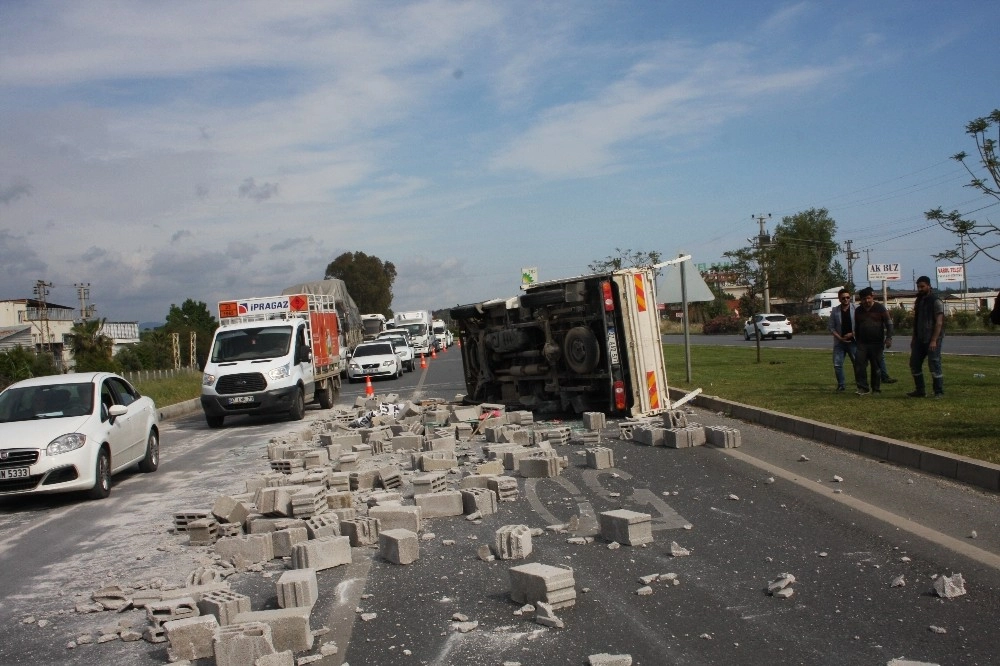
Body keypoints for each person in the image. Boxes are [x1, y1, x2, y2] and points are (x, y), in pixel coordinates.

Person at [908, 275, 945, 398]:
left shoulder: (936, 301)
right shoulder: (919, 301)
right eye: (918, 287)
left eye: (922, 286)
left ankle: (938, 391)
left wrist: (934, 340)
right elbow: (916, 320)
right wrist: (914, 338)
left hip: (933, 339)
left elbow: (939, 322)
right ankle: (920, 390)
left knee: (934, 364)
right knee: (914, 363)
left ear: (929, 286)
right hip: (920, 339)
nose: (920, 289)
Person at [853, 286, 894, 395]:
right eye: (864, 299)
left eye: (868, 298)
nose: (866, 301)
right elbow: (856, 327)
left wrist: (888, 338)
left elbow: (889, 324)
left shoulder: (880, 308)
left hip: (877, 343)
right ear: (860, 300)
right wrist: (857, 341)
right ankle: (863, 388)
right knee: (859, 365)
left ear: (872, 297)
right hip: (862, 343)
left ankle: (876, 389)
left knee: (876, 367)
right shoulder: (858, 310)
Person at [828, 288, 856, 392]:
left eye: (848, 297)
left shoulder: (855, 309)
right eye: (843, 298)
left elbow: (861, 325)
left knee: (857, 363)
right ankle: (841, 385)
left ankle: (860, 384)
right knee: (837, 364)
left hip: (853, 341)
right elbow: (831, 327)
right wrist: (840, 338)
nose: (846, 299)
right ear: (839, 299)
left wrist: (852, 334)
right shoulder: (835, 310)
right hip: (840, 342)